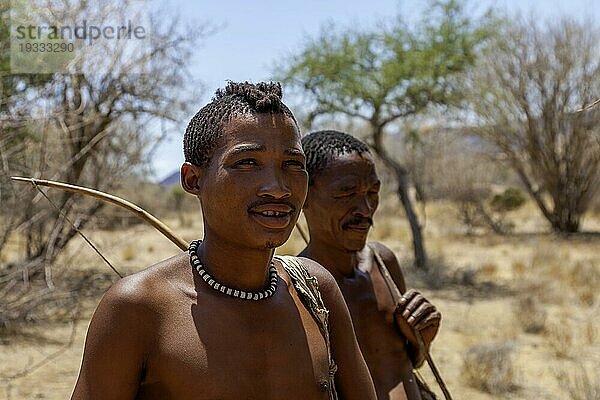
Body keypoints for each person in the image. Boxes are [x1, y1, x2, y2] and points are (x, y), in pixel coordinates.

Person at [71, 83, 376, 400]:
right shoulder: (139, 308)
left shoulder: (315, 292)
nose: (278, 188)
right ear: (193, 179)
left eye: (292, 165)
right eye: (247, 163)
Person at [299, 130, 442, 400]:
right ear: (303, 194)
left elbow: (408, 362)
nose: (365, 209)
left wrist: (422, 337)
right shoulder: (297, 288)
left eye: (372, 192)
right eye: (346, 193)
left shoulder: (383, 263)